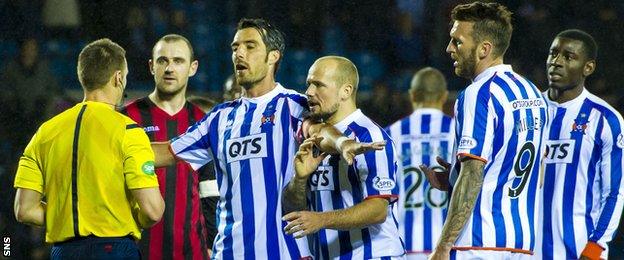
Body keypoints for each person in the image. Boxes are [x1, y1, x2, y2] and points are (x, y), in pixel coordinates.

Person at [149, 19, 383, 259]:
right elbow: (165, 152)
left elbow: (319, 131)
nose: (239, 53)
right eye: (235, 47)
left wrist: (343, 143)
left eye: (250, 46)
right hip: (229, 253)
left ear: (273, 57)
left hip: (285, 252)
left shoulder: (293, 105)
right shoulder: (219, 118)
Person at [13, 38, 164, 259]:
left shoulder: (45, 133)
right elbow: (153, 210)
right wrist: (125, 218)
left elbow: (24, 210)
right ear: (118, 77)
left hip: (64, 252)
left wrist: (69, 216)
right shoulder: (128, 131)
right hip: (115, 248)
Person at [420, 2, 548, 259]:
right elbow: (535, 169)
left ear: (483, 49)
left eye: (457, 42)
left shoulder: (478, 94)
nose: (449, 49)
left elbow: (473, 172)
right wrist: (454, 178)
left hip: (477, 244)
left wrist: (443, 246)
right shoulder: (532, 92)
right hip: (521, 241)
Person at [281, 56, 405, 259]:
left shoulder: (369, 136)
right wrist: (300, 179)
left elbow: (378, 209)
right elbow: (293, 209)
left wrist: (321, 220)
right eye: (309, 84)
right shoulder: (311, 138)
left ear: (345, 91)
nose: (309, 92)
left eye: (319, 85)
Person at [120, 34, 211, 260]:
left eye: (178, 61)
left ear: (193, 67)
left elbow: (211, 191)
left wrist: (212, 242)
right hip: (138, 250)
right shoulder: (126, 118)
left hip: (193, 252)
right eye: (162, 61)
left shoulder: (203, 121)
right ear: (152, 66)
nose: (169, 68)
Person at [536, 29, 624, 260]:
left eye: (568, 57)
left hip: (579, 251)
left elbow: (614, 193)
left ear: (588, 67)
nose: (556, 62)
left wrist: (595, 249)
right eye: (553, 54)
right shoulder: (528, 113)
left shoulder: (605, 120)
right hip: (524, 250)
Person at [385, 67, 453, 259]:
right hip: (447, 245)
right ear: (444, 96)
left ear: (412, 95)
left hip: (402, 243)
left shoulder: (388, 135)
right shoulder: (459, 132)